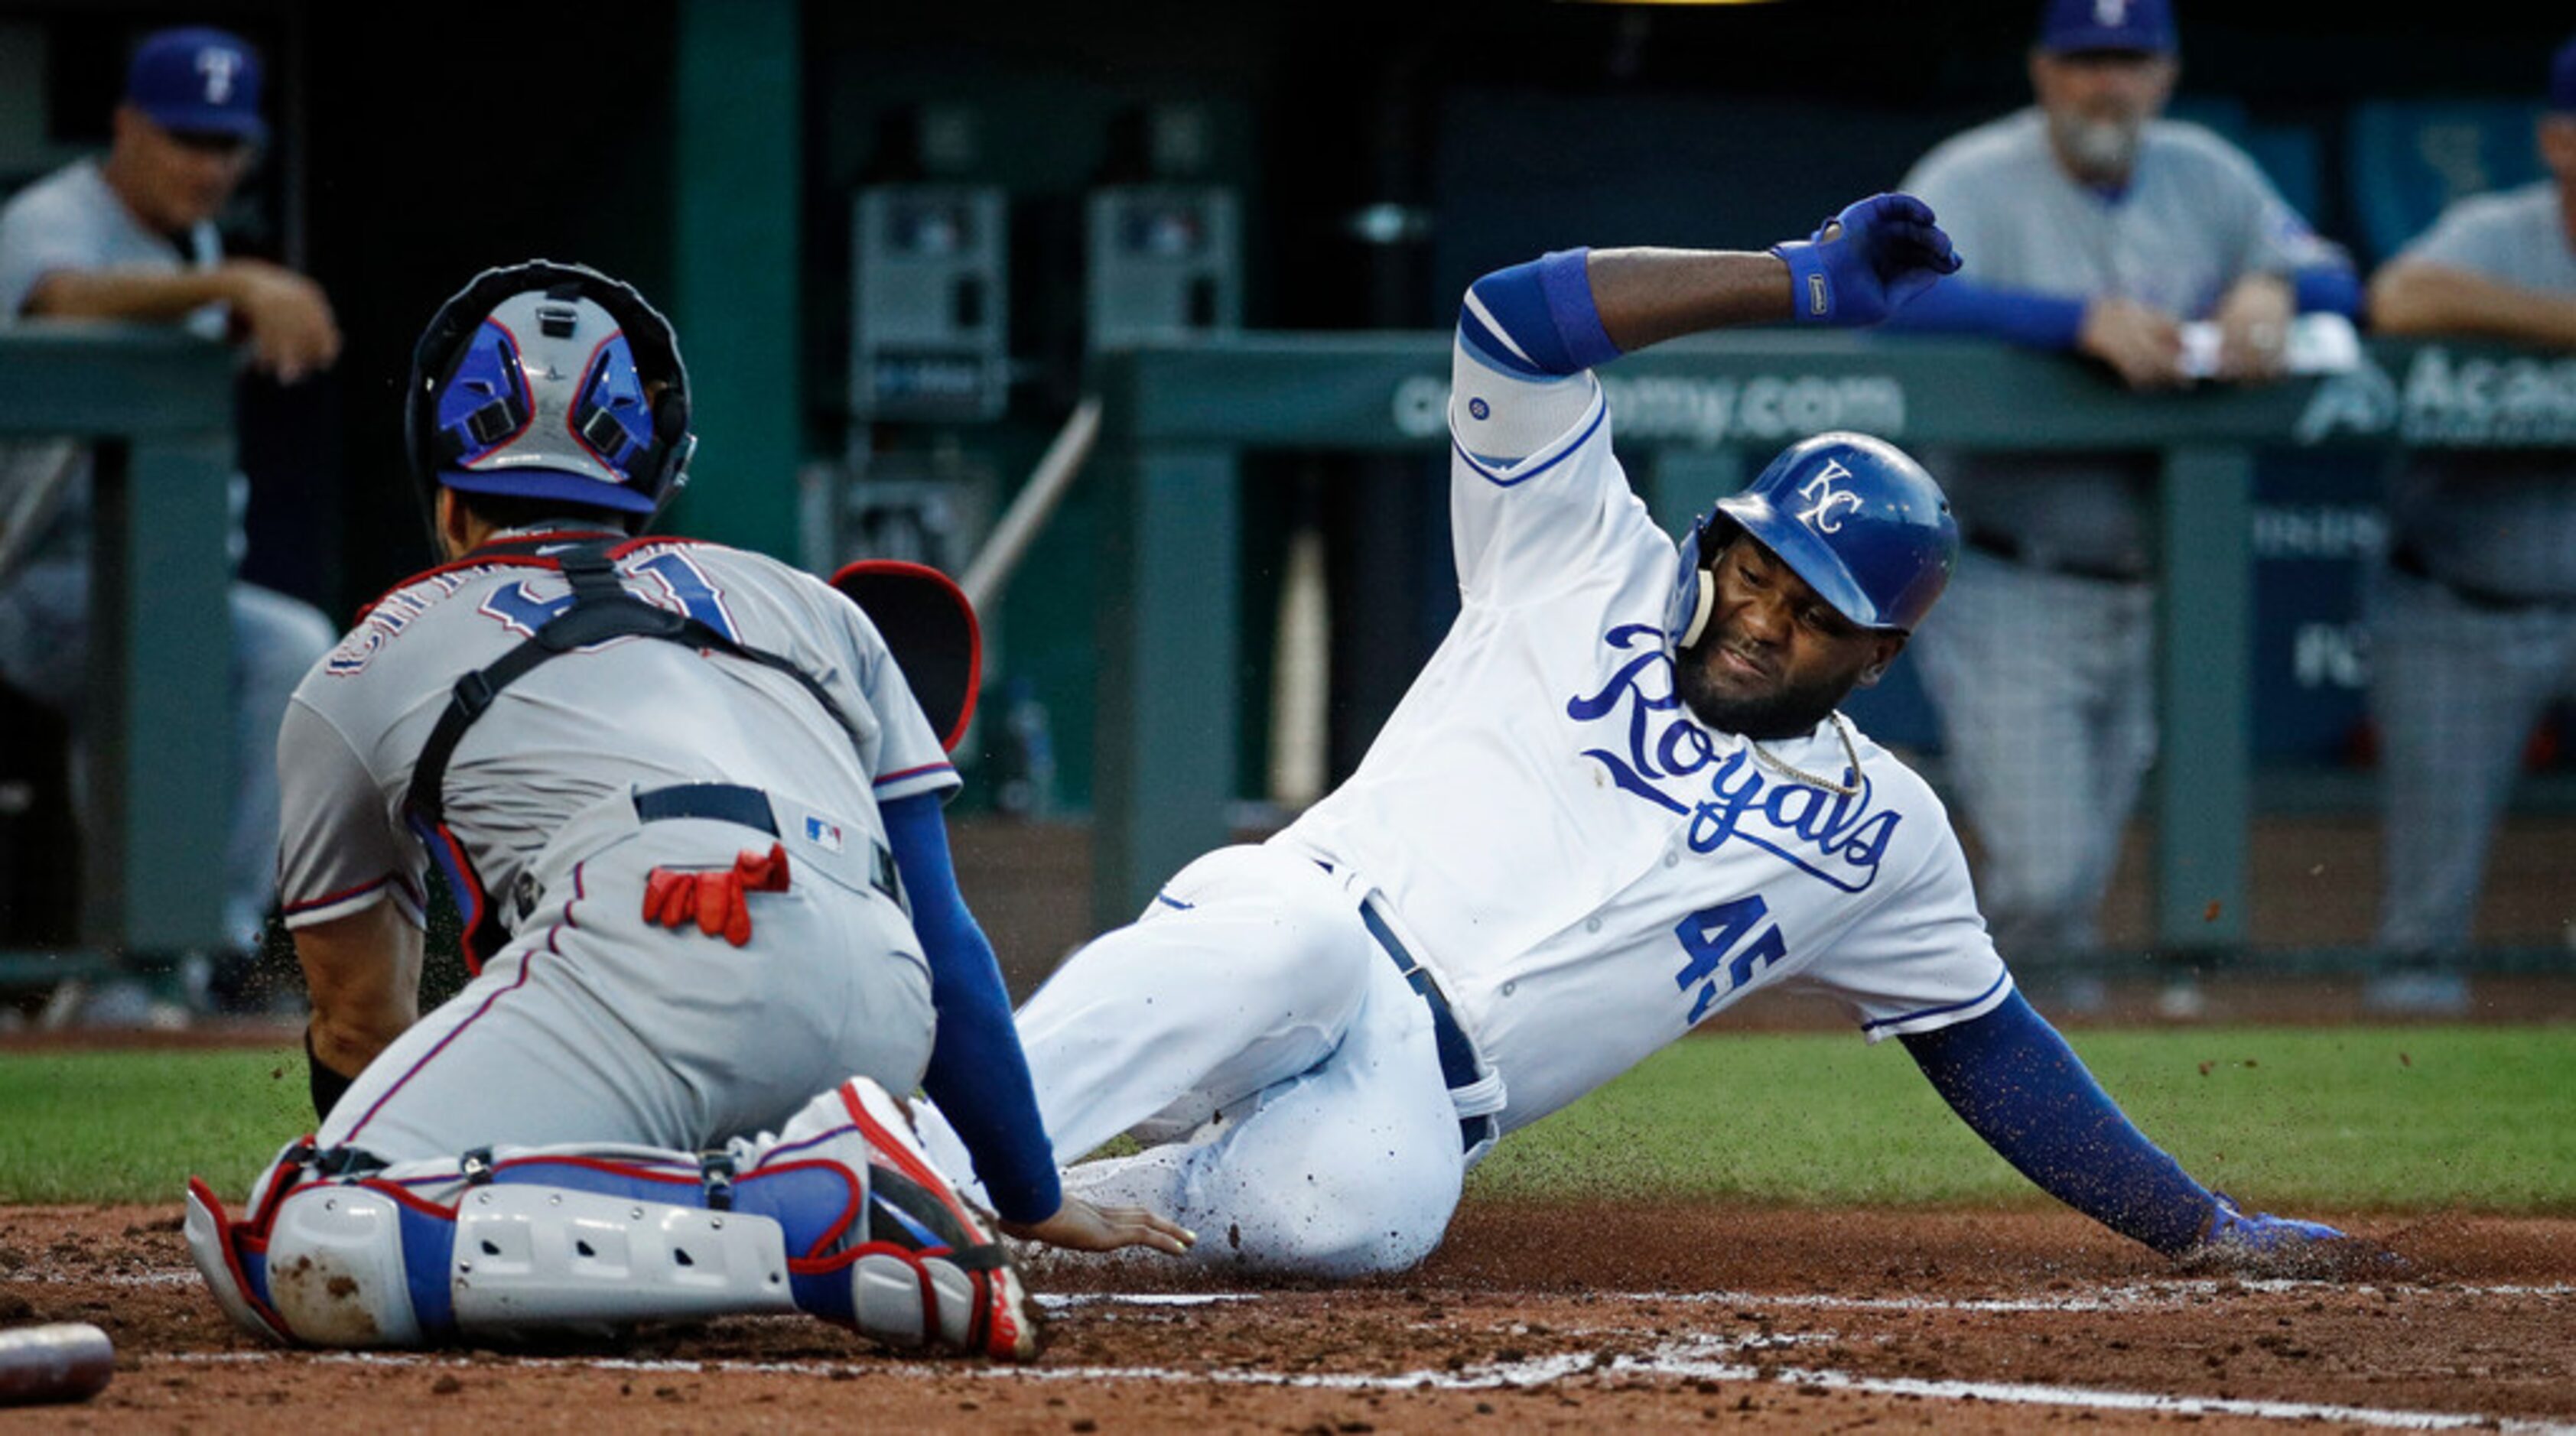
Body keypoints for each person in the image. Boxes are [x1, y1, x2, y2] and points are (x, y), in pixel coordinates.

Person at [916, 194, 2356, 1279]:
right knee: (1259, 950)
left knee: (1363, 1208)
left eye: (1813, 611)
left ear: (1879, 653)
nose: (1757, 617)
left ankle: (1110, 1210)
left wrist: (2195, 1225)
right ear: (1718, 543)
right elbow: (1510, 320)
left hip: (1422, 1093)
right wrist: (1794, 279)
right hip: (1312, 930)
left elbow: (1988, 1047)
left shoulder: (1884, 835)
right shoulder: (1574, 552)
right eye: (1754, 570)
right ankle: (913, 1169)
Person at [182, 262, 1188, 1356]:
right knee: (562, 1242)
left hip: (657, 948)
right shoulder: (807, 601)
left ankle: (808, 1208)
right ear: (653, 475)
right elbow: (946, 938)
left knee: (317, 1227)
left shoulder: (363, 662)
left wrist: (416, 1170)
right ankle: (807, 1190)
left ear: (445, 489)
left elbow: (356, 1019)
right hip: (883, 1010)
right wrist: (1028, 1188)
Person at [1878, 0, 2360, 1003]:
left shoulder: (2208, 172)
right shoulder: (1972, 174)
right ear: (2044, 69)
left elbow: (2337, 275)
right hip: (2017, 574)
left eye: (2130, 61)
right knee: (2045, 873)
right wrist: (2073, 322)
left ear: (2166, 74)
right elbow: (1894, 292)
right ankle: (1987, 1048)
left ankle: (2038, 1066)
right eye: (2086, 59)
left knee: (2077, 873)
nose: (2109, 82)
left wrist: (2278, 287)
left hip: (2162, 585)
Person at [0, 25, 341, 1013]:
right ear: (125, 128)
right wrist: (232, 281)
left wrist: (221, 299)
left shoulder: (183, 240)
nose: (209, 165)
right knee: (230, 656)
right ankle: (180, 949)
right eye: (185, 139)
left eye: (225, 145)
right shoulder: (50, 217)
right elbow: (59, 299)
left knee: (255, 652)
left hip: (131, 574)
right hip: (32, 573)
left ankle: (178, 955)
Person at [2357, 34, 2576, 1015]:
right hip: (2461, 606)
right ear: (2557, 141)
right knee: (2423, 926)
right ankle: (2387, 1138)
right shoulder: (2496, 230)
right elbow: (2397, 297)